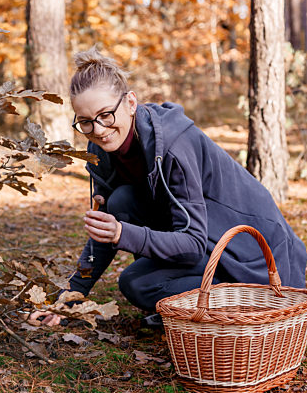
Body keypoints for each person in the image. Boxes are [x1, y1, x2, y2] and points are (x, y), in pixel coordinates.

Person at [31, 47, 307, 327]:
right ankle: (188, 304)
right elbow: (105, 229)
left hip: (253, 256)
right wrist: (70, 297)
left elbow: (193, 244)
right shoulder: (99, 151)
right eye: (86, 122)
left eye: (105, 115)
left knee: (136, 282)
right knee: (122, 202)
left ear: (130, 102)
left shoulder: (173, 145)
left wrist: (122, 233)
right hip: (206, 244)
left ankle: (232, 301)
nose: (99, 130)